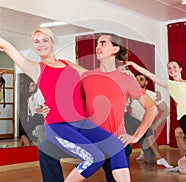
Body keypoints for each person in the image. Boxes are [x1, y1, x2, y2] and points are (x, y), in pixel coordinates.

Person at [0, 20, 131, 181]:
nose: (40, 44)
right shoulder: (35, 68)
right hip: (58, 125)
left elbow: (95, 77)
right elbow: (6, 46)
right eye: (36, 41)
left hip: (81, 122)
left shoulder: (68, 64)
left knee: (115, 146)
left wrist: (121, 73)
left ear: (53, 42)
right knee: (95, 158)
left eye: (44, 40)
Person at [39, 32, 158, 182]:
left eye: (103, 43)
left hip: (115, 142)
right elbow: (66, 99)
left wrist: (136, 136)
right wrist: (47, 108)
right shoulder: (87, 76)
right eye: (97, 44)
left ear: (115, 49)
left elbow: (151, 108)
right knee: (45, 150)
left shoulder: (126, 79)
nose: (97, 47)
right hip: (89, 139)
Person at [124, 73, 172, 168]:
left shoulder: (153, 95)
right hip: (133, 128)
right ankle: (160, 158)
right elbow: (123, 110)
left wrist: (156, 125)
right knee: (144, 134)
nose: (138, 82)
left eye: (141, 79)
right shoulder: (131, 95)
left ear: (146, 82)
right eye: (136, 80)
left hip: (145, 127)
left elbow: (166, 110)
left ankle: (144, 150)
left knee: (149, 160)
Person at [19, 81, 45, 147]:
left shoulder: (38, 94)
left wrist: (39, 109)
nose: (30, 87)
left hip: (39, 116)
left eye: (32, 85)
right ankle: (20, 148)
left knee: (23, 132)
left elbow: (42, 107)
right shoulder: (30, 99)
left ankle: (29, 147)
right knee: (24, 132)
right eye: (29, 85)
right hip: (34, 117)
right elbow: (31, 112)